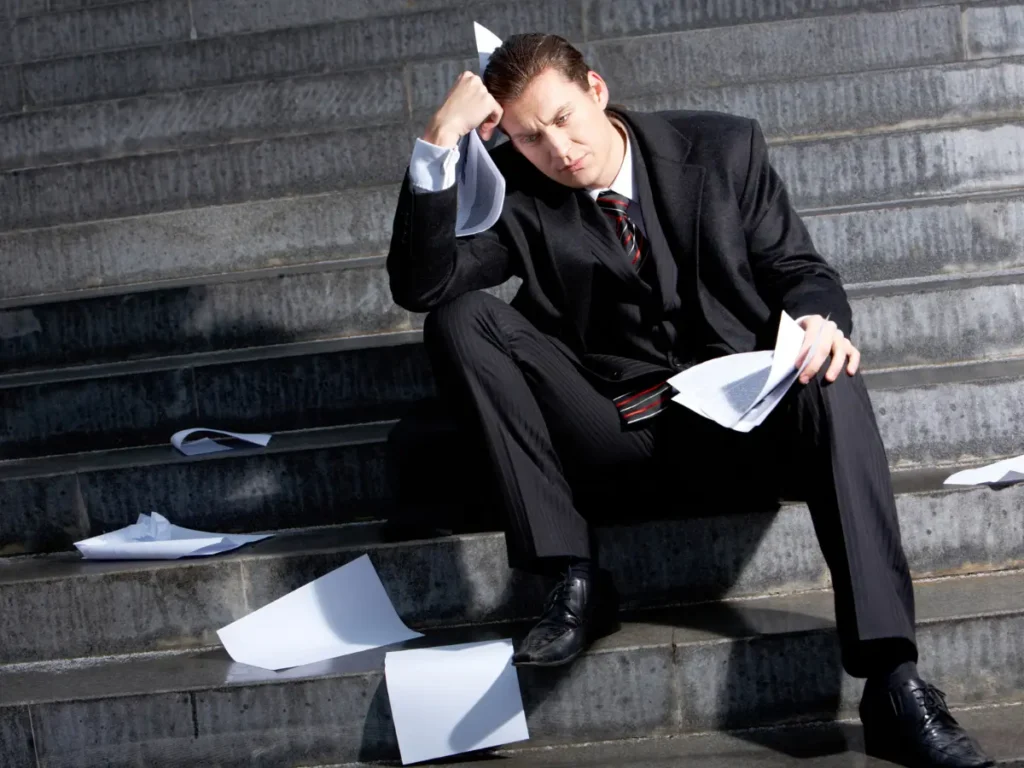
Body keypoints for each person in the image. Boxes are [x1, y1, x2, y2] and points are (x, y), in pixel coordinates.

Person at [385, 33, 993, 768]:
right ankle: (572, 575)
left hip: (740, 425)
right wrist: (437, 143)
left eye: (565, 117)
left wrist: (816, 321)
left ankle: (893, 681)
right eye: (529, 135)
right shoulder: (516, 189)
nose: (559, 148)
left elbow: (798, 267)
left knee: (833, 375)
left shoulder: (724, 149)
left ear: (598, 91)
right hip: (614, 429)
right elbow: (424, 288)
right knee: (462, 317)